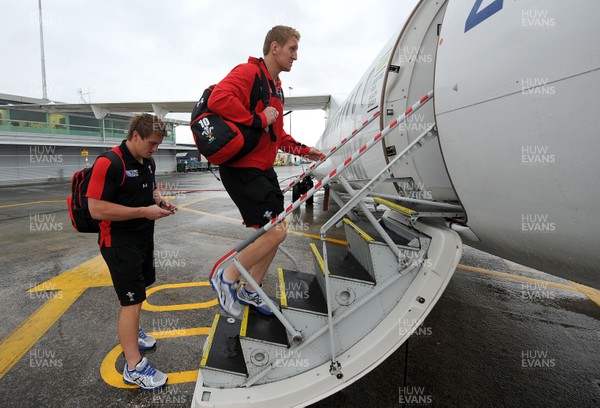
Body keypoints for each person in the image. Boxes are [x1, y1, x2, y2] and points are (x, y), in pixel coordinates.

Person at [208, 25, 325, 318]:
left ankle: (251, 288)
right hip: (241, 168)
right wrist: (256, 118)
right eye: (292, 49)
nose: (296, 56)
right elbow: (217, 99)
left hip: (263, 170)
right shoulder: (249, 73)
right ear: (275, 48)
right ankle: (226, 277)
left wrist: (304, 150)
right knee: (272, 233)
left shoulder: (276, 88)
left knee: (278, 231)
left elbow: (278, 136)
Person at [87, 113, 177, 390]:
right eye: (152, 143)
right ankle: (133, 367)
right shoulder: (109, 163)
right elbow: (96, 209)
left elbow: (148, 192)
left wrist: (161, 201)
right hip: (118, 243)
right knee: (132, 300)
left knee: (137, 293)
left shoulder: (146, 161)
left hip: (142, 239)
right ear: (135, 135)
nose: (155, 149)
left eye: (159, 144)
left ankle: (133, 333)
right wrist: (143, 212)